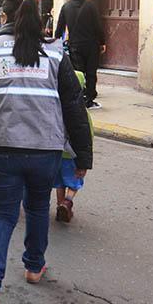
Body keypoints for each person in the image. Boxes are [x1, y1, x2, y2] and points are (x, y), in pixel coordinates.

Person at [0, 0, 93, 304]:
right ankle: (34, 268)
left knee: (1, 215)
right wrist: (83, 158)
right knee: (35, 208)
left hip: (1, 149)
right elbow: (75, 108)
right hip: (45, 150)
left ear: (3, 18)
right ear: (39, 19)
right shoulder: (56, 54)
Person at [54, 0, 106, 109]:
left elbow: (59, 27)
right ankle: (89, 99)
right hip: (91, 45)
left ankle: (79, 97)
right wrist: (102, 42)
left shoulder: (66, 6)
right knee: (91, 72)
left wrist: (55, 42)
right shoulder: (90, 6)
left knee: (78, 72)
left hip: (74, 45)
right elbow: (97, 26)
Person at [53, 70, 93, 223]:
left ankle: (59, 204)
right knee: (74, 182)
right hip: (73, 154)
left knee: (59, 182)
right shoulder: (81, 112)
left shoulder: (56, 108)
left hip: (58, 152)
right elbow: (87, 134)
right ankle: (67, 202)